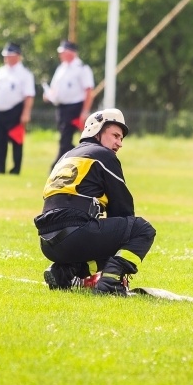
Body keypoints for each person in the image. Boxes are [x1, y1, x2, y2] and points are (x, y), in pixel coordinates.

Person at [34, 108, 156, 296]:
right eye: (115, 135)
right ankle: (110, 282)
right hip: (75, 235)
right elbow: (123, 210)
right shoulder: (104, 156)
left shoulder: (67, 156)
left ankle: (63, 273)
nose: (119, 143)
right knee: (141, 229)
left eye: (121, 139)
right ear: (96, 130)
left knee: (104, 233)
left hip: (47, 242)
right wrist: (118, 262)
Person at [0, 42, 35, 175]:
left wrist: (26, 113)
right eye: (5, 56)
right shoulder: (0, 71)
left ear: (17, 56)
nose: (6, 58)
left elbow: (29, 95)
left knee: (17, 141)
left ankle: (15, 169)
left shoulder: (24, 74)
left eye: (9, 56)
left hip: (15, 111)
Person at [43, 40, 95, 170]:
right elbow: (55, 88)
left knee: (65, 139)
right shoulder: (62, 68)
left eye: (63, 52)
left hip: (75, 107)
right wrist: (49, 95)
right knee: (64, 137)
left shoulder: (82, 68)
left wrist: (85, 111)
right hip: (61, 108)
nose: (60, 55)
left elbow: (89, 91)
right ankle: (78, 159)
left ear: (71, 53)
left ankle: (56, 166)